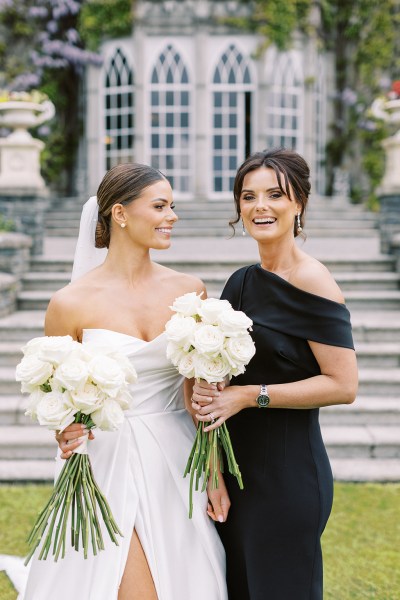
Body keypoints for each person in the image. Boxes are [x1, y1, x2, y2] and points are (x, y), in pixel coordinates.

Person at [23, 163, 229, 600]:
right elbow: (56, 394)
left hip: (176, 460)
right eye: (160, 206)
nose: (172, 215)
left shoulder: (191, 292)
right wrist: (64, 430)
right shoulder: (69, 304)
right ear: (119, 214)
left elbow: (199, 397)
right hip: (105, 461)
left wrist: (213, 473)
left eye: (172, 206)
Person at [191, 148, 358, 600]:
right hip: (235, 475)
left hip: (288, 477)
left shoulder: (315, 281)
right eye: (248, 196)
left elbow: (343, 385)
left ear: (299, 203)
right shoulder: (240, 282)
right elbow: (214, 384)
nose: (259, 206)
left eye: (274, 195)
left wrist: (249, 397)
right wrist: (213, 472)